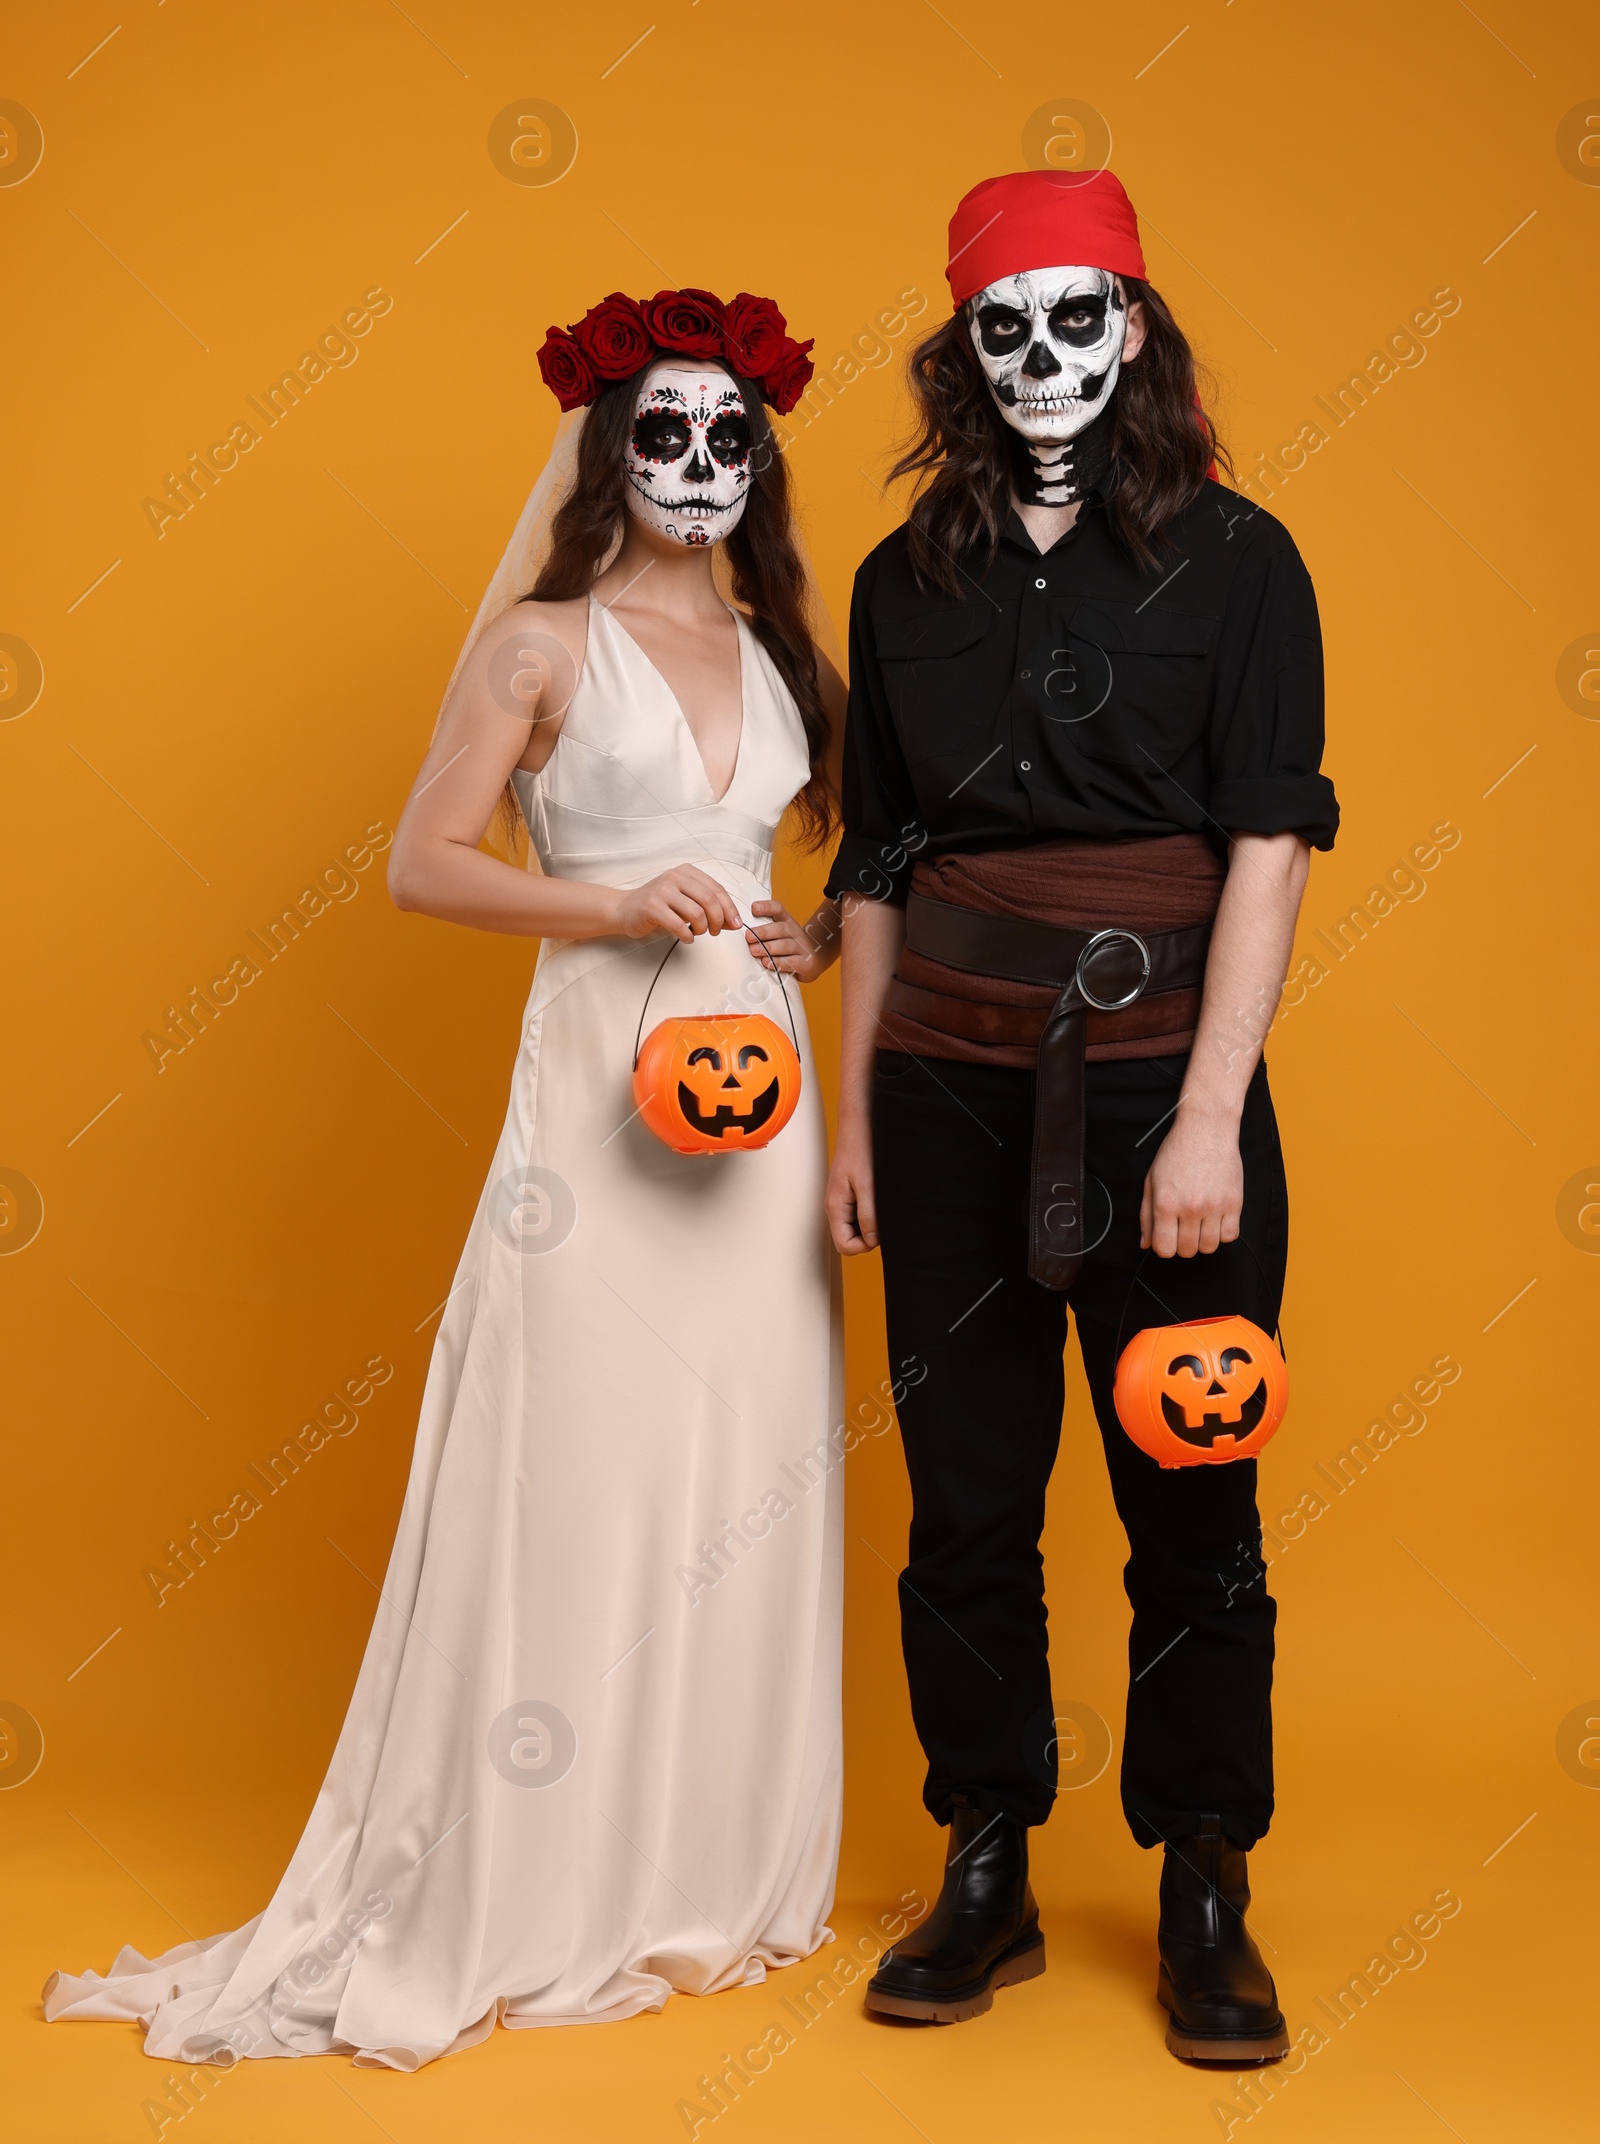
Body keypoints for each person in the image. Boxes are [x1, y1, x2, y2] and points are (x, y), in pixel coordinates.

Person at [46, 286, 849, 2070]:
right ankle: (536, 1868)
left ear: (761, 457)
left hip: (760, 1104)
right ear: (609, 449)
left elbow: (791, 858)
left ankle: (697, 1867)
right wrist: (612, 903)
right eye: (667, 434)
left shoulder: (791, 646)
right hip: (598, 1104)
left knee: (745, 1473)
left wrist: (803, 939)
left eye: (732, 438)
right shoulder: (542, 648)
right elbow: (422, 864)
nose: (701, 465)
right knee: (581, 1470)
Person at [823, 171, 1339, 2060]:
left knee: (1194, 1489)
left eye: (1081, 317)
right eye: (1003, 327)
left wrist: (1208, 1121)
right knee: (966, 1496)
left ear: (1137, 328)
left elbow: (1268, 845)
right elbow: (875, 858)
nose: (1044, 360)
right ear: (964, 352)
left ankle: (1206, 1874)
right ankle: (986, 1863)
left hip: (1158, 1095)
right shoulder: (900, 582)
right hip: (946, 1087)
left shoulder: (1244, 556)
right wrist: (858, 1120)